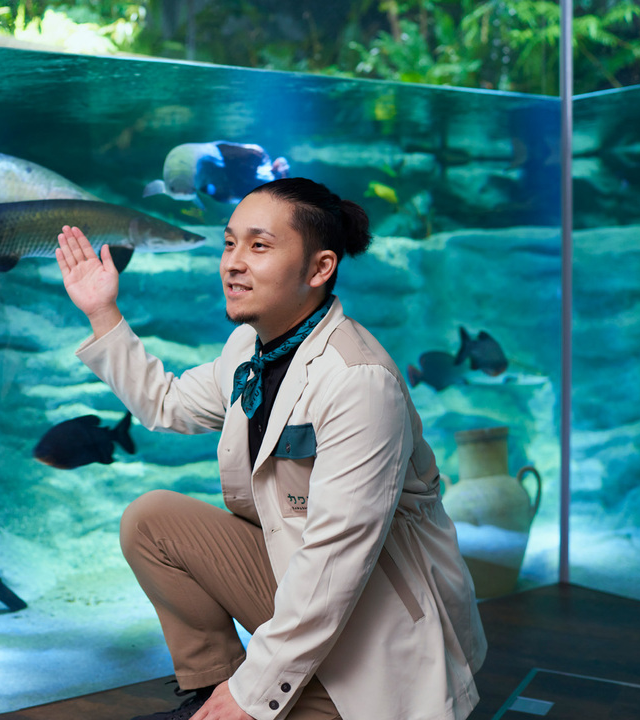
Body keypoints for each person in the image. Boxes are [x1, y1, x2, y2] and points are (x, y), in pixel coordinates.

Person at [54, 177, 486, 720]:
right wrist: (101, 311)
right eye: (230, 243)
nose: (233, 262)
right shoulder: (250, 347)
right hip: (302, 581)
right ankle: (211, 692)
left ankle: (258, 698)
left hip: (375, 622)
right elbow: (166, 404)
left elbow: (336, 565)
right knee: (152, 521)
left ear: (320, 268)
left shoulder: (360, 380)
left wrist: (251, 698)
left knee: (285, 687)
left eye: (259, 246)